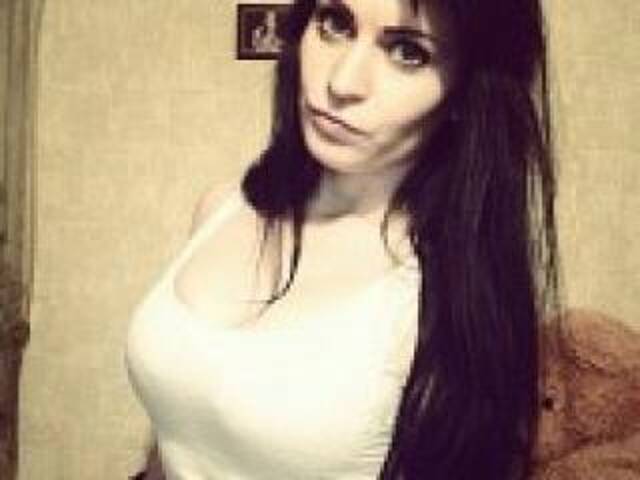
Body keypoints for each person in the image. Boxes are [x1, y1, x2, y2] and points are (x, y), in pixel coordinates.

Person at [126, 0, 558, 478]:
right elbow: (179, 430)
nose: (342, 82)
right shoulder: (221, 208)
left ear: (465, 93)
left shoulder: (446, 303)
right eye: (334, 23)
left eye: (408, 52)